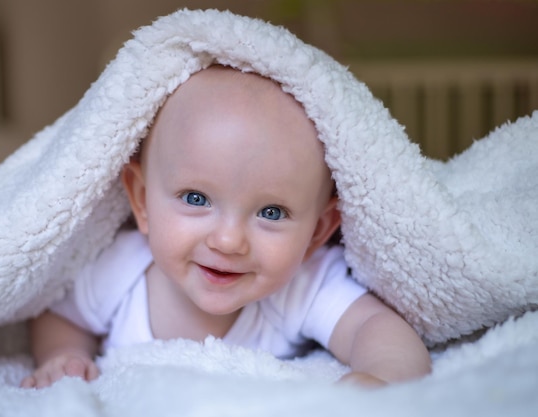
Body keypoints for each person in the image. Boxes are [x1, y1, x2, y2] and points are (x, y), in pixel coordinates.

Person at [21, 65, 431, 389]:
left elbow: (375, 328)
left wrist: (382, 377)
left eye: (271, 212)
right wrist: (63, 356)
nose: (229, 240)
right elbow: (61, 315)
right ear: (143, 201)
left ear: (318, 232)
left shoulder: (303, 286)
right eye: (196, 199)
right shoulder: (120, 271)